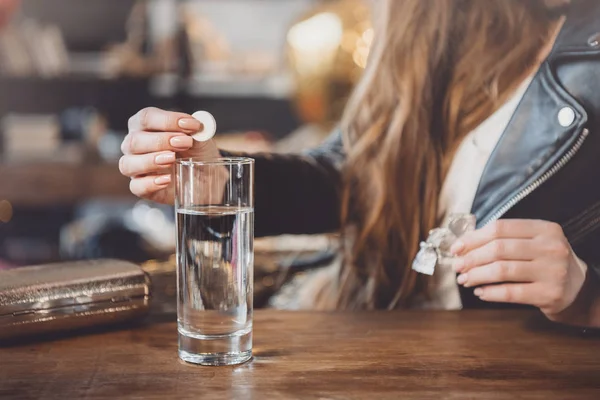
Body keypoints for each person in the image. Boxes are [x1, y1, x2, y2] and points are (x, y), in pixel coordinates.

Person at [119, 0, 600, 327]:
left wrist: (587, 297)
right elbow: (343, 179)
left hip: (509, 374)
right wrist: (217, 177)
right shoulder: (431, 48)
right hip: (381, 349)